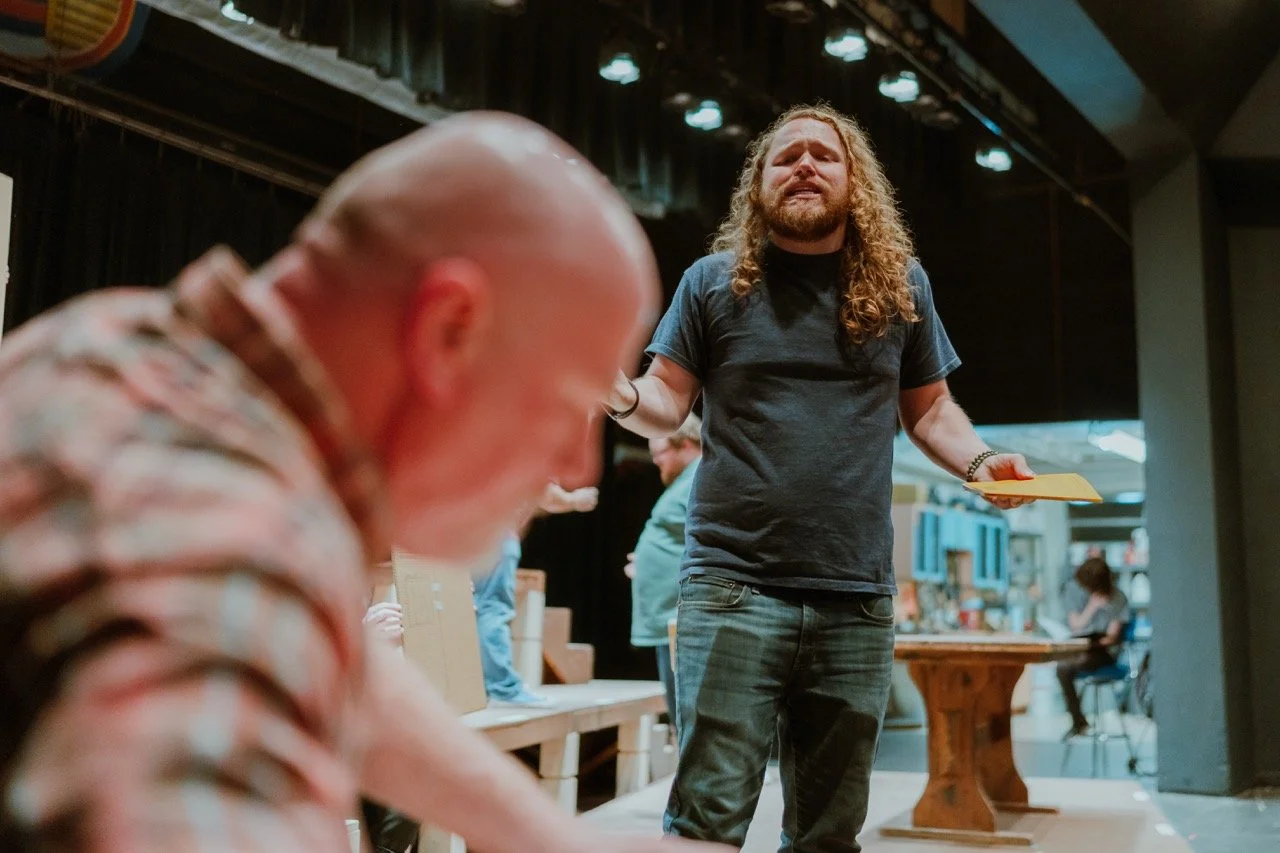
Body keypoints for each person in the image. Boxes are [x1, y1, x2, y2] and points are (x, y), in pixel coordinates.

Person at [0, 111, 728, 853]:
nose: (575, 468)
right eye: (569, 403)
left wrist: (559, 842)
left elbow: (335, 660)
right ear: (448, 330)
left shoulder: (116, 345)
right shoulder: (224, 538)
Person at [602, 103, 1034, 852]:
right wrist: (621, 396)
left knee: (829, 835)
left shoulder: (900, 286)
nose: (804, 164)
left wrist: (980, 460)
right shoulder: (712, 284)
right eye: (785, 155)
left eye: (823, 155)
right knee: (706, 819)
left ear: (852, 179)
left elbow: (930, 410)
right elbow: (667, 400)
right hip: (732, 587)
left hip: (855, 600)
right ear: (759, 183)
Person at [476, 483, 599, 707]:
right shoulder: (513, 451)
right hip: (495, 533)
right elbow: (543, 490)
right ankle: (503, 688)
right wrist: (573, 499)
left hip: (466, 534)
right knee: (493, 608)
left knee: (473, 606)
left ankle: (480, 686)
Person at [624, 414, 702, 724]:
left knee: (689, 715)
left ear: (684, 444)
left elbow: (713, 542)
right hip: (668, 619)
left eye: (660, 455)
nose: (655, 462)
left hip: (682, 619)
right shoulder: (686, 481)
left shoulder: (701, 476)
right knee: (679, 714)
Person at [1058, 556, 1130, 738]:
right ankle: (1078, 721)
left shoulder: (1118, 598)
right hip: (1081, 647)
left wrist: (1097, 641)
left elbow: (1112, 636)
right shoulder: (1075, 592)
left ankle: (1079, 723)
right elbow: (1076, 625)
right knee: (1062, 668)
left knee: (1069, 666)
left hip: (1104, 652)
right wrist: (1092, 607)